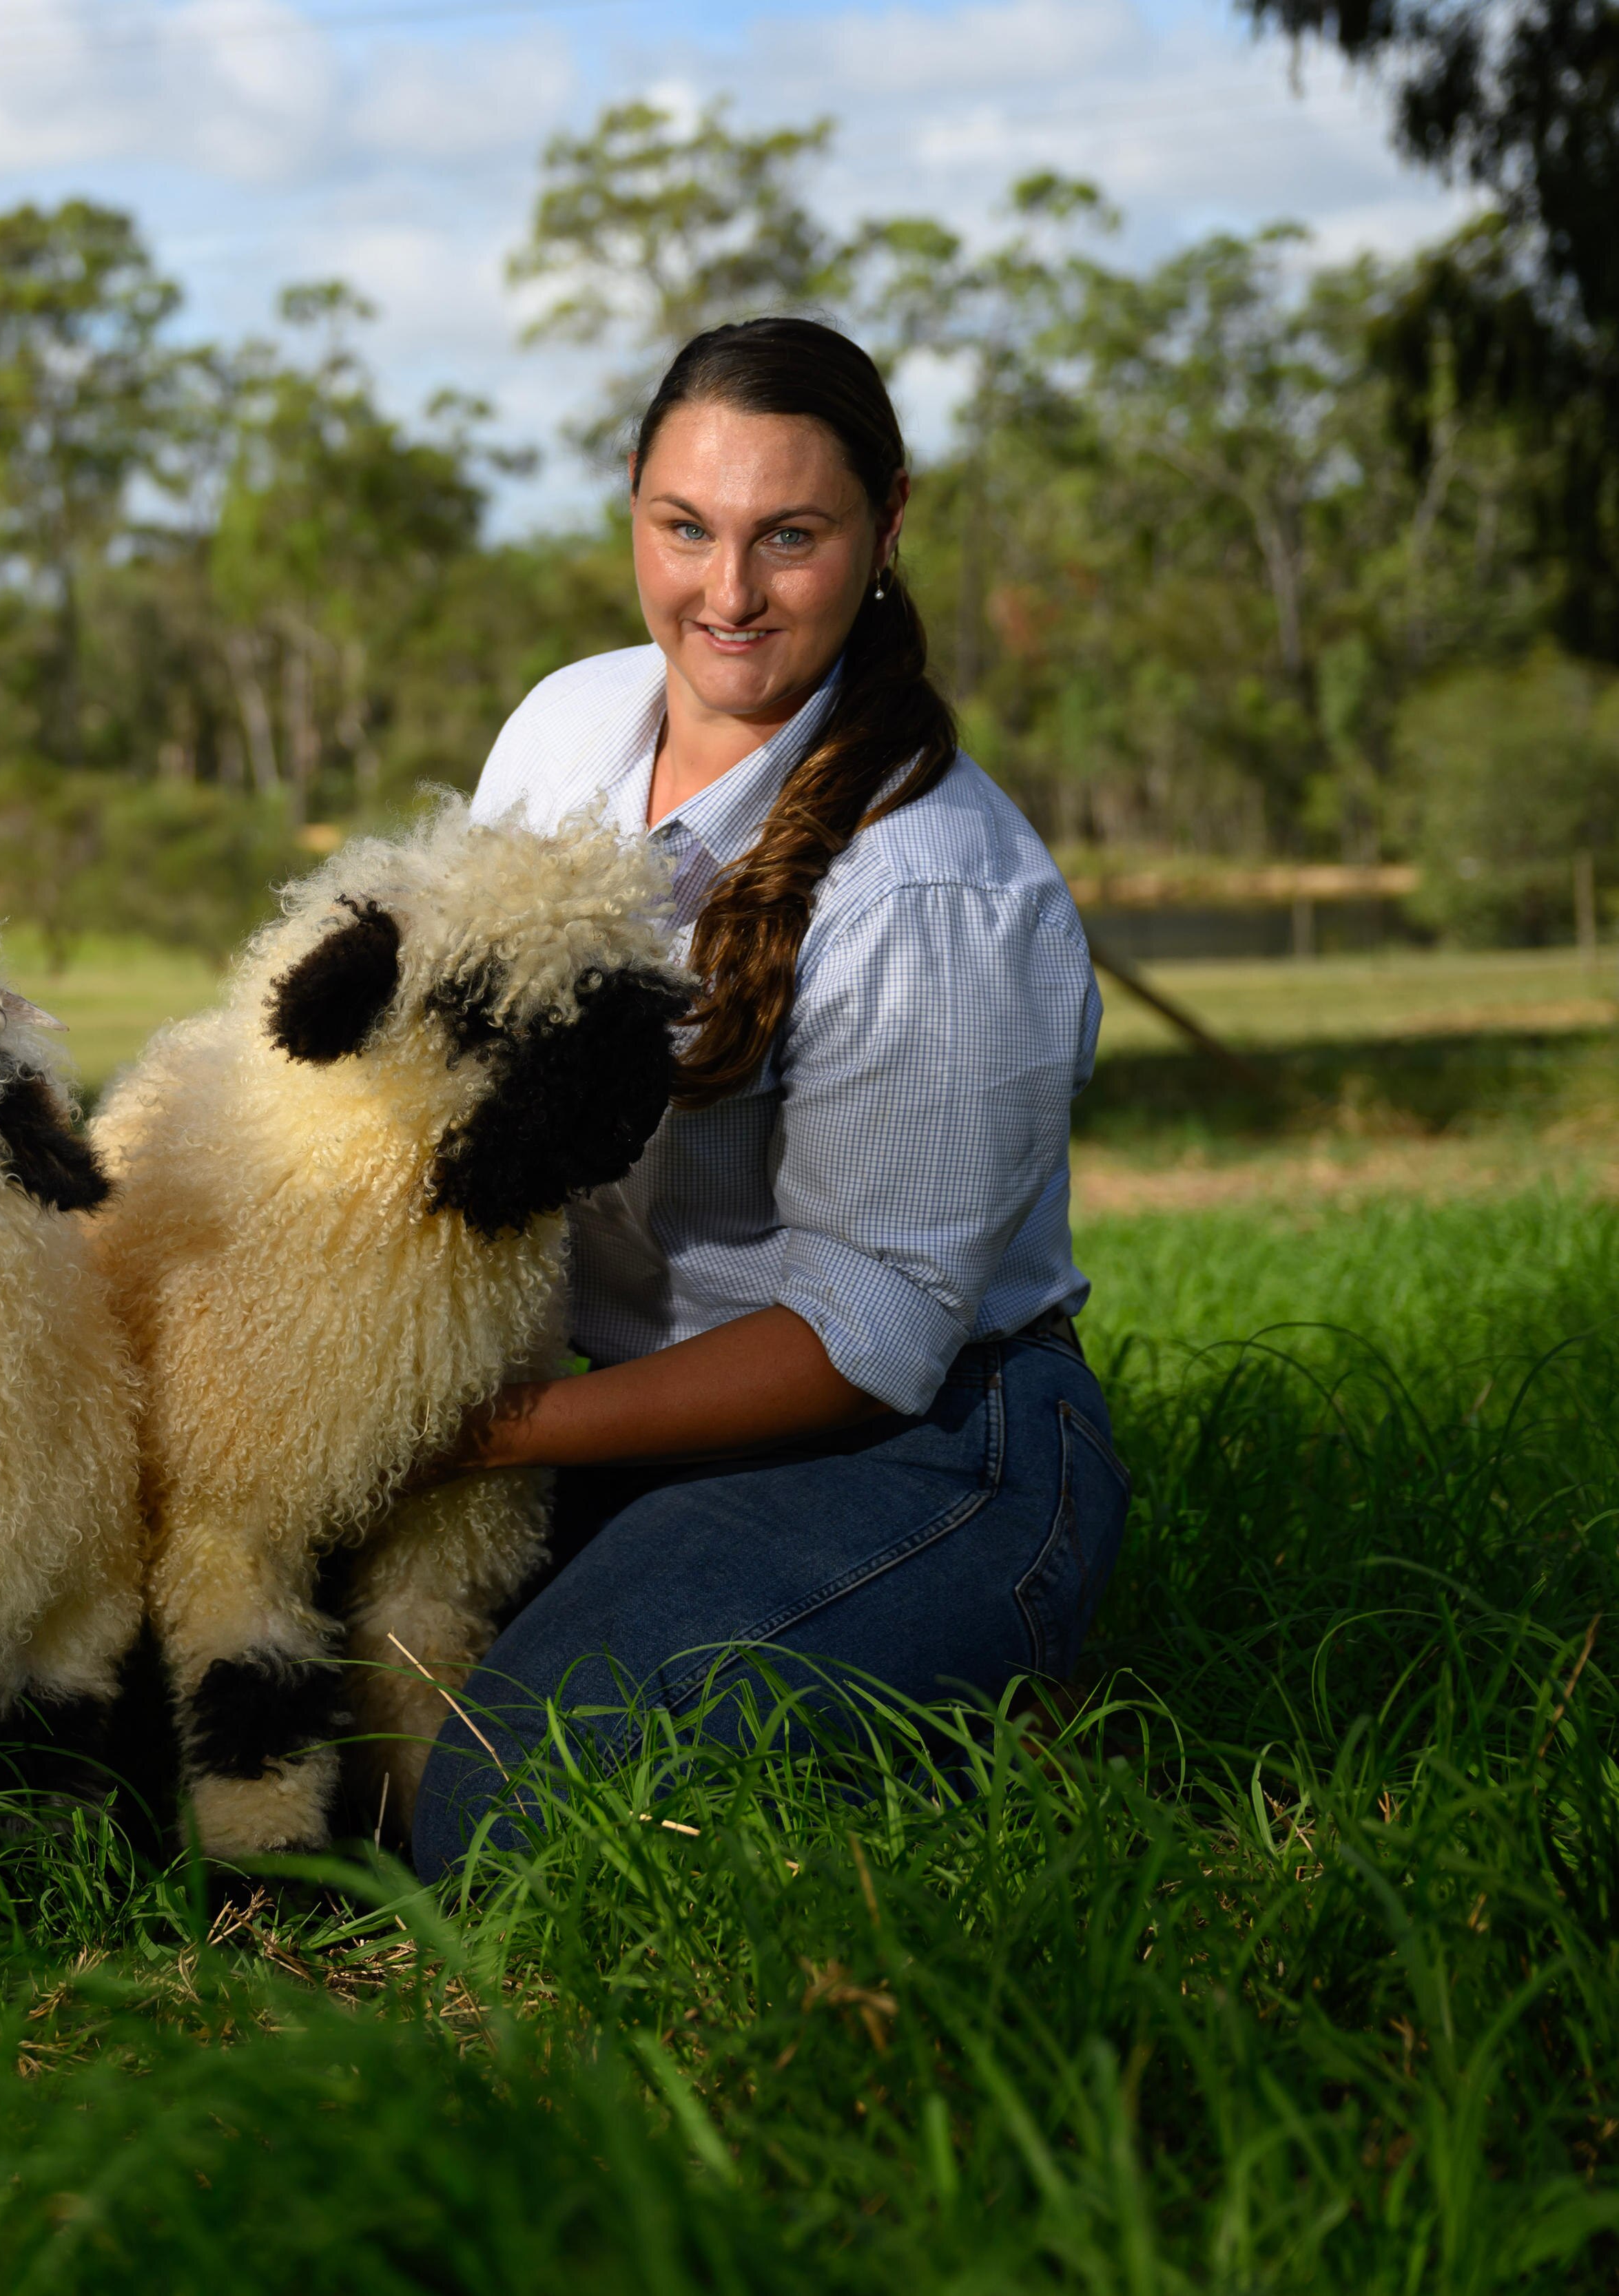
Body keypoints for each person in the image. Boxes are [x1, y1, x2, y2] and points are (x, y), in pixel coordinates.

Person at [408, 317, 1132, 1879]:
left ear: (885, 530)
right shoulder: (564, 725)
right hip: (619, 1403)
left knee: (511, 1799)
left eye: (787, 537)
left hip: (919, 1436)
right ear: (631, 506)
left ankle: (972, 1714)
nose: (724, 594)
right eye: (686, 527)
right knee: (301, 1723)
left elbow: (866, 1337)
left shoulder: (931, 884)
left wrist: (492, 1433)